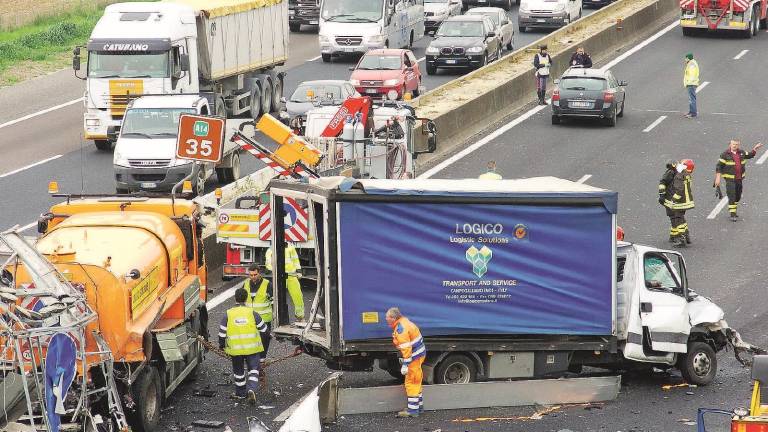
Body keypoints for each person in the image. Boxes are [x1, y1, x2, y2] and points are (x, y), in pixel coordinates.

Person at [219, 287, 269, 405]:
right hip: (252, 348)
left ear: (235, 298)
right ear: (246, 299)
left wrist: (222, 346)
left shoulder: (228, 314)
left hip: (235, 350)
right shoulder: (252, 313)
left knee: (239, 372)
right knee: (253, 370)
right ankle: (251, 388)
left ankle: (241, 393)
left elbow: (222, 333)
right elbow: (264, 330)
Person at [386, 307, 426, 418]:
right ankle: (418, 407)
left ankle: (413, 411)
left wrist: (405, 364)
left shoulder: (401, 329)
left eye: (387, 317)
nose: (386, 319)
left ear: (393, 318)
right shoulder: (404, 322)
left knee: (411, 382)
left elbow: (406, 349)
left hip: (414, 357)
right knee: (416, 381)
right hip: (418, 355)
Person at [714, 140, 764, 221]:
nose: (734, 146)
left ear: (738, 145)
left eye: (736, 144)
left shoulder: (741, 152)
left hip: (739, 179)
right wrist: (718, 178)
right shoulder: (725, 154)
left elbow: (750, 155)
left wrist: (755, 149)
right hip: (730, 179)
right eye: (733, 144)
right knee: (732, 195)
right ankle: (732, 214)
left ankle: (734, 208)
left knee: (738, 195)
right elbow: (719, 167)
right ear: (730, 144)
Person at [243, 266, 275, 367]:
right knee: (250, 341)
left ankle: (261, 361)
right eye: (251, 275)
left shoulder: (267, 284)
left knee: (264, 341)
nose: (253, 277)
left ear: (259, 273)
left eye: (255, 275)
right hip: (249, 320)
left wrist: (275, 315)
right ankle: (252, 362)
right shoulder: (246, 284)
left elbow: (274, 301)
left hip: (264, 319)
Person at [265, 241, 305, 321]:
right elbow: (268, 262)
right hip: (280, 277)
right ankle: (277, 317)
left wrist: (299, 270)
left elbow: (295, 259)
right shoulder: (271, 250)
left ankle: (300, 316)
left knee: (298, 296)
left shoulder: (291, 248)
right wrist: (272, 270)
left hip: (291, 276)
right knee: (277, 298)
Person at [665, 160, 695, 247]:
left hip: (680, 202)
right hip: (687, 201)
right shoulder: (686, 174)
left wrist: (673, 200)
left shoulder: (679, 176)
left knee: (678, 219)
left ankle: (682, 240)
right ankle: (687, 235)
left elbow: (679, 190)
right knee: (682, 218)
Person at [658, 159, 678, 243]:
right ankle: (675, 236)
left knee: (674, 217)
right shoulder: (670, 173)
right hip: (669, 199)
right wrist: (662, 195)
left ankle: (673, 236)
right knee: (674, 217)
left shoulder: (673, 173)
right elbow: (662, 183)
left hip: (671, 198)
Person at [683, 53, 699, 118]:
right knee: (691, 98)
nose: (685, 59)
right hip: (691, 83)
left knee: (692, 99)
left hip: (691, 84)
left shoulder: (691, 65)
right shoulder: (691, 63)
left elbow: (692, 75)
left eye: (686, 58)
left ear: (688, 58)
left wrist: (688, 83)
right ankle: (691, 111)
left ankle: (693, 113)